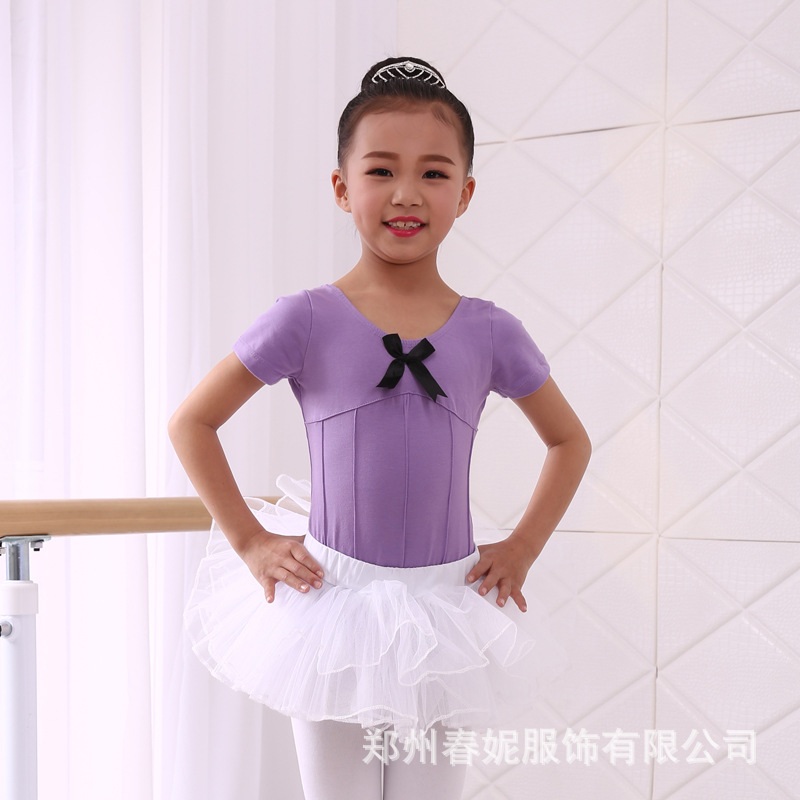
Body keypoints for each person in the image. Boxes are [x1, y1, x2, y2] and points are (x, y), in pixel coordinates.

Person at [169, 56, 591, 800]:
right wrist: (250, 541)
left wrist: (523, 547)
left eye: (434, 173)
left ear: (464, 193)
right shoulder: (304, 318)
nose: (406, 193)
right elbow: (192, 422)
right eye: (380, 171)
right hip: (332, 606)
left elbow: (569, 441)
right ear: (342, 187)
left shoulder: (491, 331)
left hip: (447, 610)